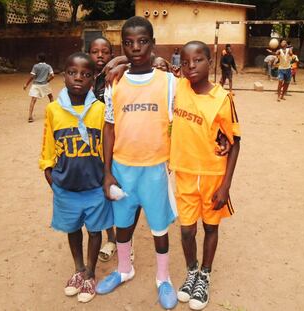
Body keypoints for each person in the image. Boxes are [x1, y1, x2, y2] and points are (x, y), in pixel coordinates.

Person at [95, 16, 178, 310]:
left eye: (143, 41)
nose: (136, 48)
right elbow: (108, 127)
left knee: (159, 228)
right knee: (123, 226)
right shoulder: (114, 82)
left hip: (155, 168)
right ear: (122, 47)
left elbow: (187, 117)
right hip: (122, 169)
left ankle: (163, 278)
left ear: (152, 44)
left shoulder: (169, 83)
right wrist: (106, 173)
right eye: (128, 43)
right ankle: (123, 269)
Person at [170, 41, 241, 310]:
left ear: (210, 62)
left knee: (211, 227)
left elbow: (235, 142)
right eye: (186, 62)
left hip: (213, 176)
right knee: (187, 231)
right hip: (184, 174)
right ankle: (191, 271)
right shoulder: (178, 86)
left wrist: (225, 186)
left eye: (197, 60)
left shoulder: (223, 99)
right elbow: (152, 68)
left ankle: (205, 275)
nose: (191, 67)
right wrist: (118, 63)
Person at [39, 52, 113, 303]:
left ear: (93, 79)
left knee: (94, 231)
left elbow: (108, 147)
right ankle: (79, 269)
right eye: (72, 73)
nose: (78, 78)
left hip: (94, 186)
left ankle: (91, 273)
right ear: (63, 76)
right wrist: (49, 173)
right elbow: (49, 143)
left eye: (85, 74)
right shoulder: (53, 109)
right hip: (66, 187)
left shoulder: (100, 110)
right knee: (73, 229)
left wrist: (107, 177)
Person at [88, 36, 140, 263]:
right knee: (101, 196)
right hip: (89, 149)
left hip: (117, 146)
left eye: (105, 52)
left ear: (111, 54)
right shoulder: (83, 76)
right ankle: (111, 238)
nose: (100, 55)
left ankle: (124, 241)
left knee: (123, 194)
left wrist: (122, 62)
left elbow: (147, 62)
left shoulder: (119, 76)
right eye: (94, 51)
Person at [23, 53, 54, 122]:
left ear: (38, 58)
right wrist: (48, 80)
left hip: (36, 85)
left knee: (33, 100)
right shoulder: (48, 66)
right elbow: (52, 76)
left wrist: (26, 84)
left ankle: (30, 116)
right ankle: (53, 113)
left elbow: (32, 76)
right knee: (51, 97)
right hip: (45, 84)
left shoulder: (36, 66)